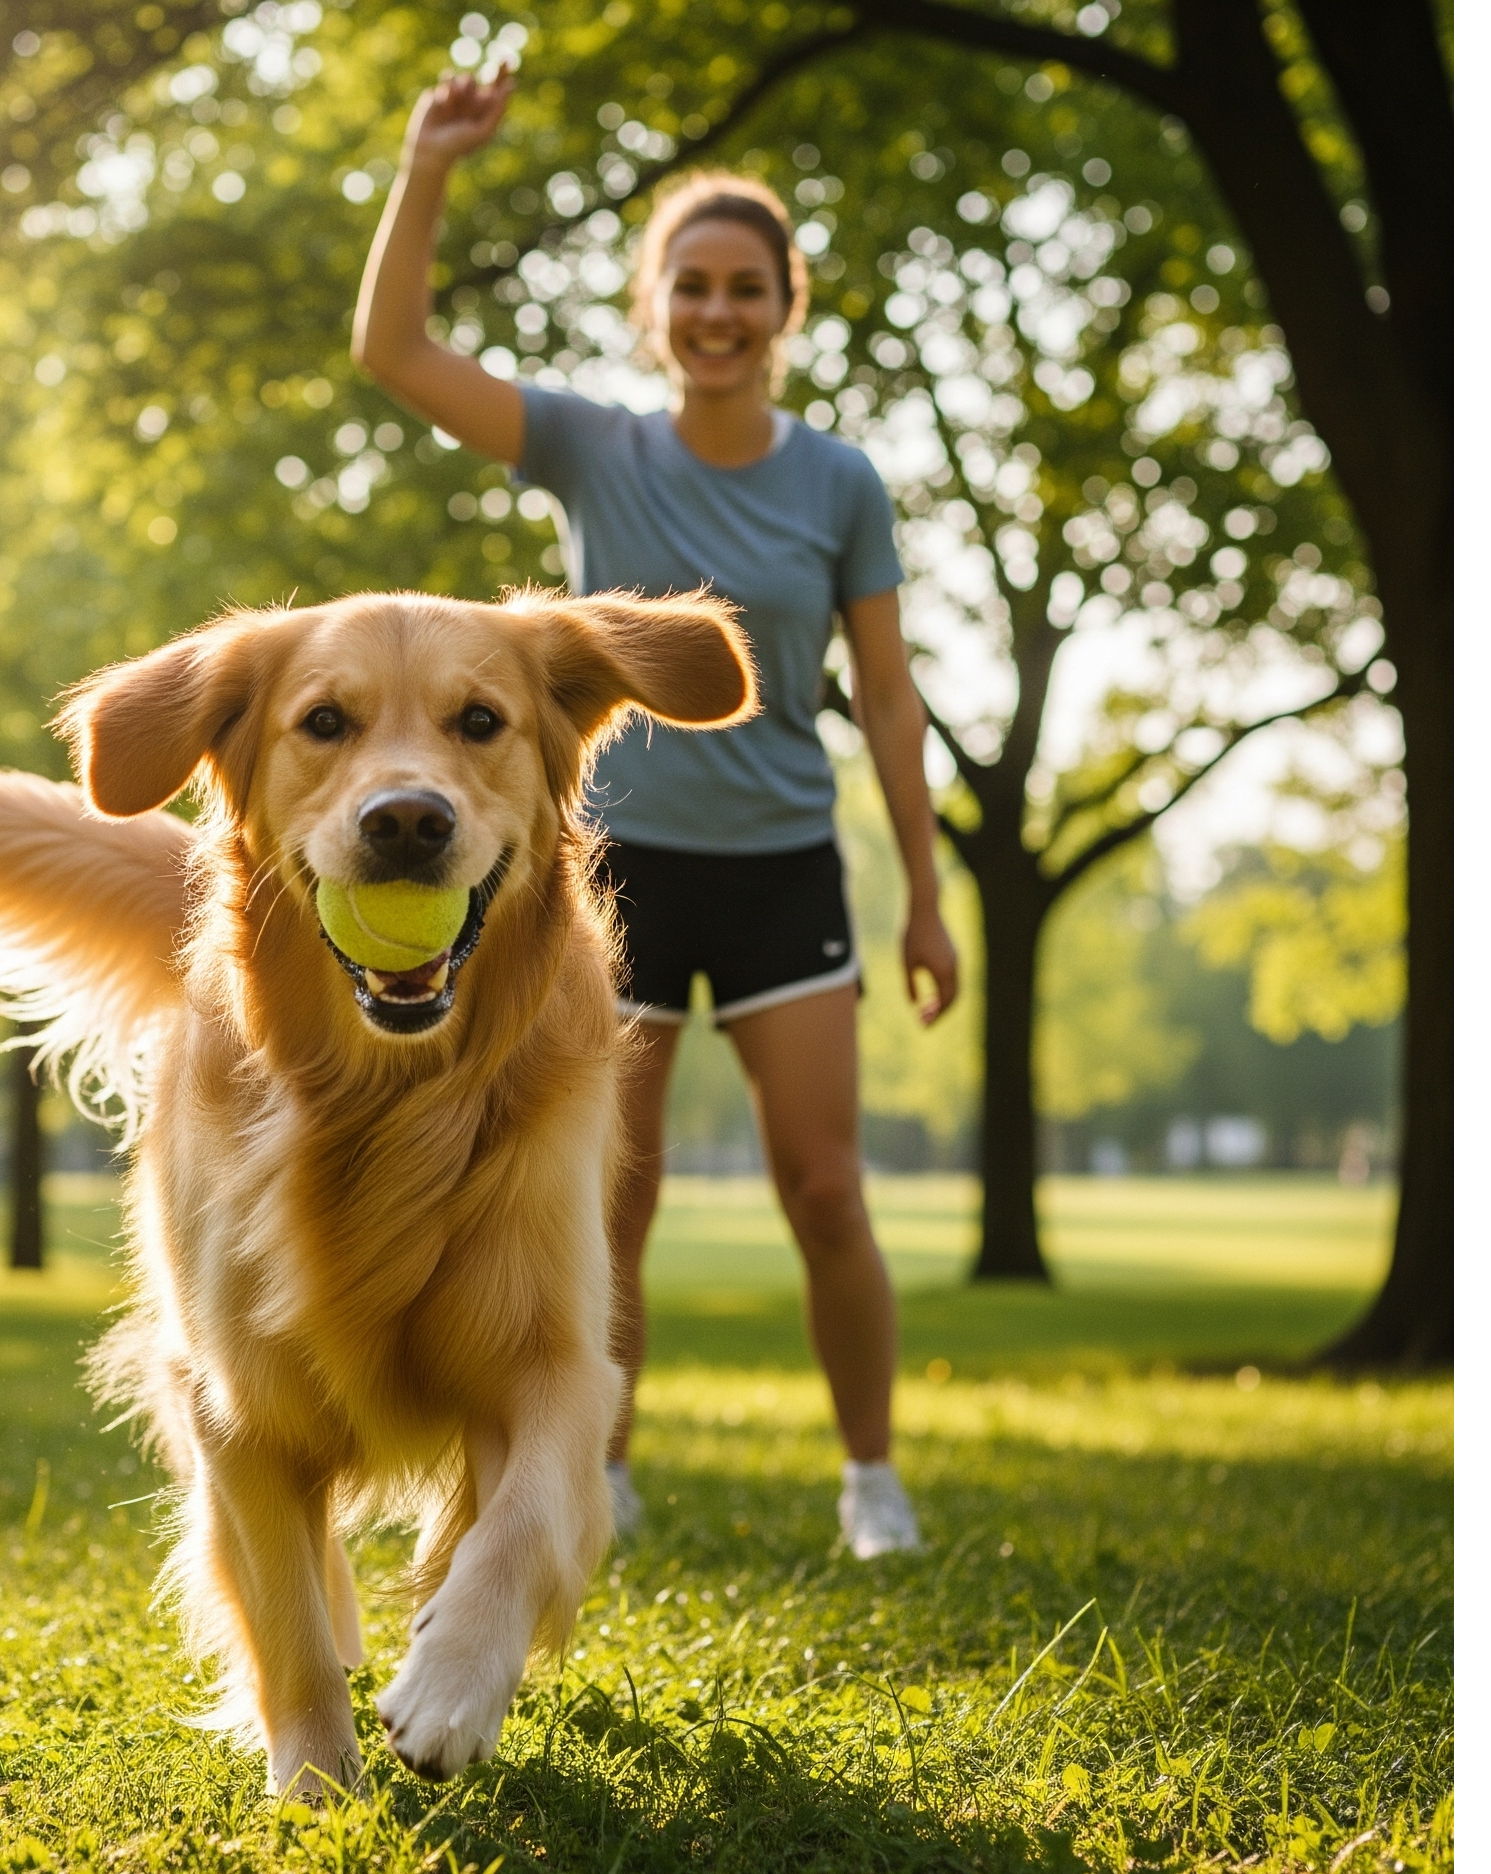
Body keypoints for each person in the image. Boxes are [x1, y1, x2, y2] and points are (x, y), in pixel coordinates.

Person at [351, 67, 960, 1558]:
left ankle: (871, 1477)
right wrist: (429, 164)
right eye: (692, 286)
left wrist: (929, 895)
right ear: (654, 306)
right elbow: (395, 349)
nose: (719, 312)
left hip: (780, 871)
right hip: (612, 870)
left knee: (825, 1183)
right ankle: (593, 1472)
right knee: (601, 1194)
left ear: (783, 306)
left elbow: (886, 700)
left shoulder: (841, 484)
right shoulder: (591, 446)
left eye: (747, 289)